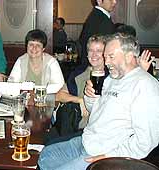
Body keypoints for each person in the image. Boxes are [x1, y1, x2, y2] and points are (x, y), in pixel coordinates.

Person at [38, 33, 159, 170]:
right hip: (86, 141)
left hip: (106, 154)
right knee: (44, 157)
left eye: (111, 56)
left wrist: (109, 157)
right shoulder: (111, 79)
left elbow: (146, 142)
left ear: (129, 56)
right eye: (105, 57)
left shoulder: (145, 85)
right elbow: (94, 111)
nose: (106, 62)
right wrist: (89, 97)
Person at [9, 29, 65, 94]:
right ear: (26, 46)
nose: (34, 48)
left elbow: (60, 85)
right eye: (31, 44)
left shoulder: (51, 62)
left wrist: (35, 91)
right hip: (24, 101)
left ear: (43, 48)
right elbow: (11, 84)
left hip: (46, 101)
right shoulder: (21, 60)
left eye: (38, 45)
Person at [78, 0, 116, 66]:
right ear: (99, 1)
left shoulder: (96, 15)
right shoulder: (102, 19)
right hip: (98, 66)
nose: (114, 2)